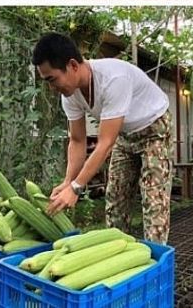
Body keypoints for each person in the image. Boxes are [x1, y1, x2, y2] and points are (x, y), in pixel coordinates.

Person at [33, 32, 172, 244]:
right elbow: (77, 141)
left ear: (72, 65)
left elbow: (105, 144)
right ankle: (117, 254)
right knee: (116, 198)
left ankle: (154, 266)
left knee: (154, 200)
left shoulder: (113, 79)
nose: (52, 88)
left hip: (154, 130)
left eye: (52, 79)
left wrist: (77, 188)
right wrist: (68, 181)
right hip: (125, 135)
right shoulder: (70, 95)